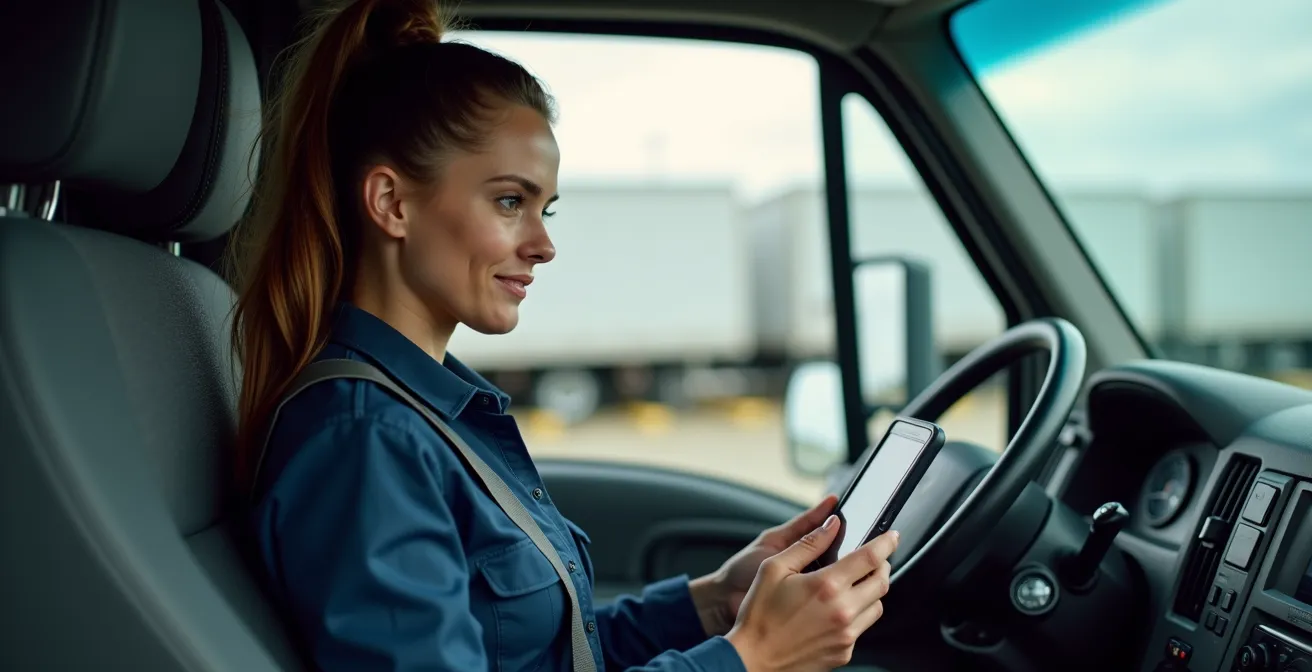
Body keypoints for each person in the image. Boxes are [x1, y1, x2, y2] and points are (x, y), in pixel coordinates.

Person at [229, 0, 899, 670]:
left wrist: (714, 603)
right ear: (392, 204)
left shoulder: (432, 414)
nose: (545, 245)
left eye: (544, 208)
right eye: (509, 202)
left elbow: (537, 651)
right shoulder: (367, 440)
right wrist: (750, 658)